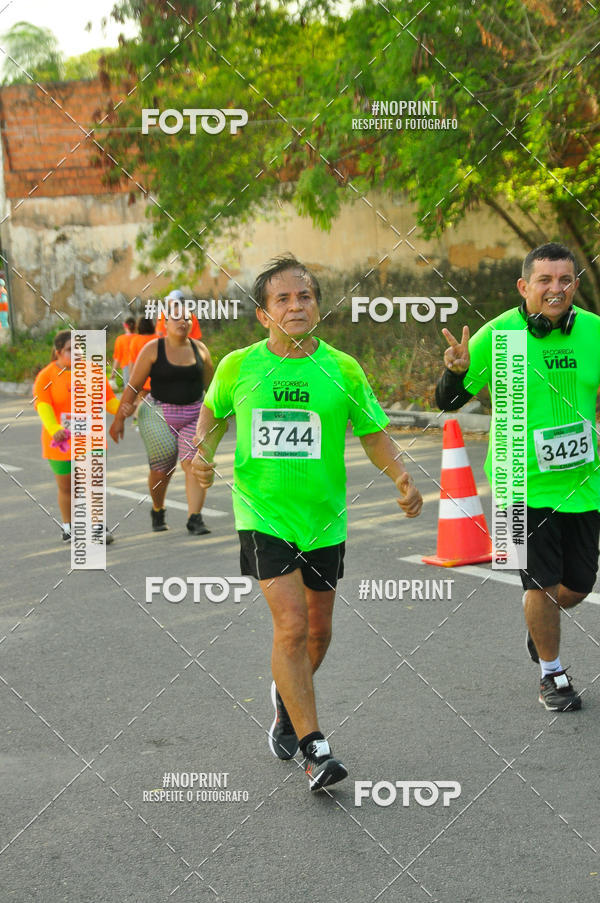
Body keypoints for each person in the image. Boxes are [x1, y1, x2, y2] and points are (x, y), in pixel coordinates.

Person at [191, 255, 423, 791]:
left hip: (324, 521)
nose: (296, 306)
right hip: (263, 515)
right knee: (292, 626)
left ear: (317, 305)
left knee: (319, 632)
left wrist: (400, 477)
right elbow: (213, 415)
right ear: (262, 314)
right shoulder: (238, 366)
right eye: (283, 299)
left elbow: (372, 433)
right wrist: (200, 451)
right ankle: (315, 748)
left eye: (305, 297)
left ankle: (284, 702)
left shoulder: (341, 369)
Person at [436, 242, 600, 712]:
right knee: (539, 585)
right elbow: (447, 402)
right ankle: (553, 673)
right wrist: (456, 373)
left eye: (565, 280)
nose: (556, 289)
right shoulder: (498, 335)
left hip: (584, 483)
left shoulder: (593, 332)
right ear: (524, 286)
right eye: (545, 280)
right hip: (516, 482)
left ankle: (539, 628)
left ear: (575, 285)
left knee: (579, 586)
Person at [110, 304, 214, 535]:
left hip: (194, 414)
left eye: (186, 318)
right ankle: (158, 509)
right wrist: (118, 420)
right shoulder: (152, 349)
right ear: (164, 324)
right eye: (175, 318)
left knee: (194, 465)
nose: (182, 322)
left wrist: (220, 414)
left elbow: (212, 386)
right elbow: (133, 386)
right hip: (159, 414)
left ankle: (195, 518)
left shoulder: (201, 349)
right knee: (162, 470)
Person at [33, 330, 120, 542]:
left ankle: (98, 526)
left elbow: (109, 403)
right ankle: (69, 526)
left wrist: (129, 408)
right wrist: (55, 429)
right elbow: (43, 407)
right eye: (71, 349)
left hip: (91, 437)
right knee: (67, 487)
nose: (78, 352)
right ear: (58, 352)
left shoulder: (94, 372)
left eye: (80, 348)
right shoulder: (46, 376)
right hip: (60, 441)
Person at [111, 316, 136, 386]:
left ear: (125, 326)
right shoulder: (138, 338)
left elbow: (117, 359)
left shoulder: (120, 339)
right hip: (139, 367)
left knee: (129, 390)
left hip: (127, 368)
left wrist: (113, 373)